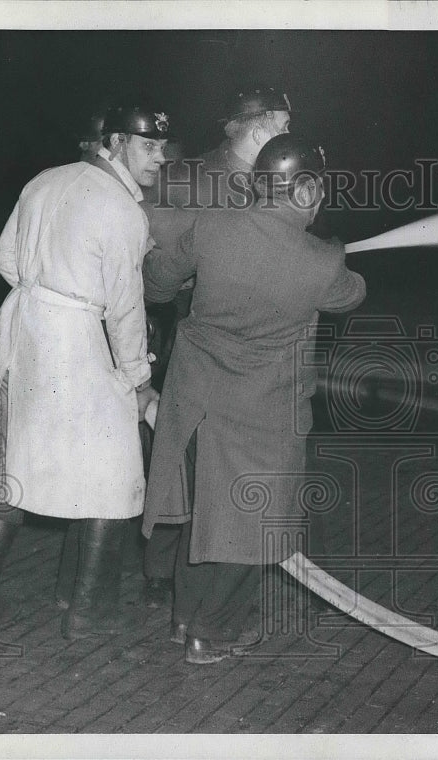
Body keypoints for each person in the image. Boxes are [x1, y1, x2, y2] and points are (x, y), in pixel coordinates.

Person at [141, 133, 366, 664]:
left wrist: (191, 288)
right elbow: (352, 294)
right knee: (256, 525)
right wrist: (330, 257)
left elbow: (155, 283)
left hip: (193, 401)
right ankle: (211, 633)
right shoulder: (322, 261)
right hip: (261, 415)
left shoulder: (213, 225)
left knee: (201, 513)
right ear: (306, 191)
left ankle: (182, 621)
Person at [0, 104, 167, 639]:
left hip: (20, 324)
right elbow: (125, 306)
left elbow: (5, 258)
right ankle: (87, 614)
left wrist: (44, 287)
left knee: (11, 462)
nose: (160, 158)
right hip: (72, 335)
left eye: (162, 147)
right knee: (114, 469)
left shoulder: (44, 180)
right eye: (149, 146)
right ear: (116, 142)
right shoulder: (122, 209)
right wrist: (139, 381)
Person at [139, 85, 293, 609]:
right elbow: (149, 252)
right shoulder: (185, 178)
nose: (291, 136)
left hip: (250, 345)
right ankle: (160, 569)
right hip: (186, 331)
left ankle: (200, 580)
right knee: (176, 457)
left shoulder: (281, 181)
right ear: (257, 128)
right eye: (284, 125)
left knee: (222, 465)